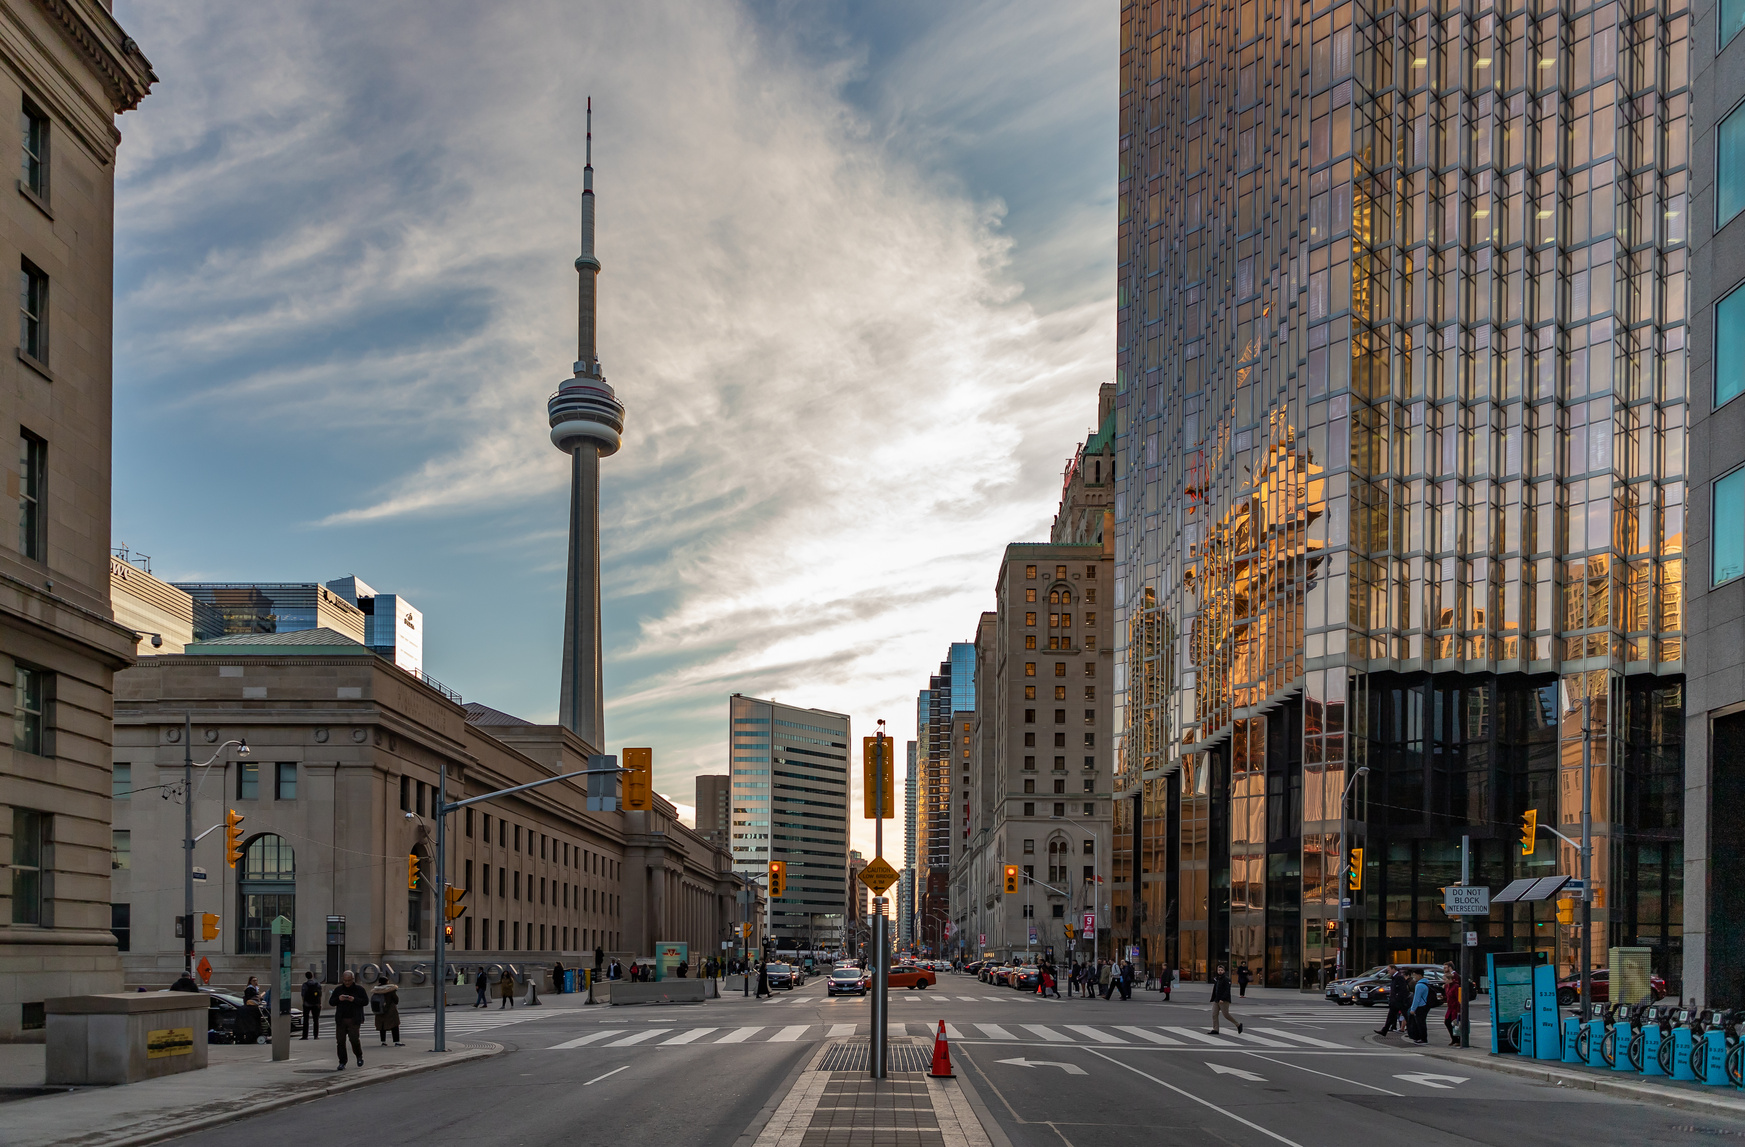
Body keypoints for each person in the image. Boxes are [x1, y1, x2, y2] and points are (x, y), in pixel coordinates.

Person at [329, 971, 369, 1070]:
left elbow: (365, 1002)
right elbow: (331, 1002)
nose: (347, 983)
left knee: (354, 1039)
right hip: (341, 1019)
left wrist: (354, 1000)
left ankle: (359, 1056)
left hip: (354, 1019)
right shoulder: (339, 989)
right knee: (340, 1041)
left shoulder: (359, 989)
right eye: (345, 981)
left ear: (353, 979)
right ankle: (342, 1062)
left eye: (349, 981)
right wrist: (339, 999)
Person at [1209, 963, 1243, 1035]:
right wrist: (1213, 999)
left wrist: (1222, 999)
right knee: (1214, 1014)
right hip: (1216, 999)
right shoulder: (1217, 979)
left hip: (1224, 1000)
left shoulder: (1226, 979)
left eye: (1221, 970)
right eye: (1219, 970)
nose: (1220, 971)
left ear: (1224, 971)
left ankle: (1238, 1025)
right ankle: (1215, 1029)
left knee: (1226, 1014)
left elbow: (1227, 990)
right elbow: (1215, 989)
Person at [1375, 965, 1409, 1036]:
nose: (1388, 972)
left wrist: (1397, 998)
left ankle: (1414, 1031)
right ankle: (1384, 1030)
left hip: (1399, 1001)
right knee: (1391, 1016)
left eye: (1389, 970)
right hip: (1395, 1001)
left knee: (1406, 1017)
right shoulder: (1395, 977)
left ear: (1394, 969)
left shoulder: (1399, 977)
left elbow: (1403, 990)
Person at [371, 976, 402, 1047]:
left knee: (382, 1026)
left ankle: (383, 1041)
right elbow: (396, 1000)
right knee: (394, 1025)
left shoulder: (376, 990)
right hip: (390, 1011)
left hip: (379, 1011)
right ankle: (397, 1041)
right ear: (387, 982)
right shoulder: (390, 990)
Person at [1407, 970, 1431, 1045]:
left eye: (1415, 975)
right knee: (1421, 1022)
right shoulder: (1426, 983)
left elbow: (1416, 998)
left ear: (1419, 975)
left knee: (1420, 1023)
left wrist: (1413, 1009)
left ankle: (1423, 1038)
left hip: (1420, 1006)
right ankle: (1422, 1038)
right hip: (1425, 1005)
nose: (1414, 977)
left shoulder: (1419, 985)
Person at [1441, 963, 1462, 1046]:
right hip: (1450, 1007)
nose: (1444, 981)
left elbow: (1458, 999)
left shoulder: (1455, 986)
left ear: (1449, 979)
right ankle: (1454, 1038)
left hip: (1455, 1007)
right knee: (1447, 1022)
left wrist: (1458, 1010)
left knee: (1455, 1023)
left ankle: (1457, 1039)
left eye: (1445, 979)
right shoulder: (1447, 986)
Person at [300, 971, 323, 1039]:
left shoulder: (305, 985)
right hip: (316, 1004)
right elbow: (320, 994)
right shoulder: (317, 984)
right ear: (312, 976)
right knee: (316, 1020)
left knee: (306, 1020)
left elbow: (303, 995)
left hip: (307, 1004)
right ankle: (316, 1036)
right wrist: (319, 1003)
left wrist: (304, 1002)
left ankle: (305, 1036)